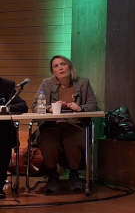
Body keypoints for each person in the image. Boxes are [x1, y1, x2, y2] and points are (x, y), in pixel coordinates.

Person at [32, 55, 98, 194]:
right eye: (56, 66)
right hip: (52, 126)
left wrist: (81, 108)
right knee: (48, 143)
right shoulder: (46, 84)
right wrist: (49, 108)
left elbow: (93, 105)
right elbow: (35, 106)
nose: (60, 68)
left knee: (73, 142)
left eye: (63, 64)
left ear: (70, 66)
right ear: (53, 71)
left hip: (75, 125)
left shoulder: (83, 83)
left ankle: (74, 175)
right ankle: (52, 176)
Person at [0, 77, 28, 199]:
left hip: (2, 131)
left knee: (3, 137)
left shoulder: (6, 85)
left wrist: (5, 109)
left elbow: (22, 106)